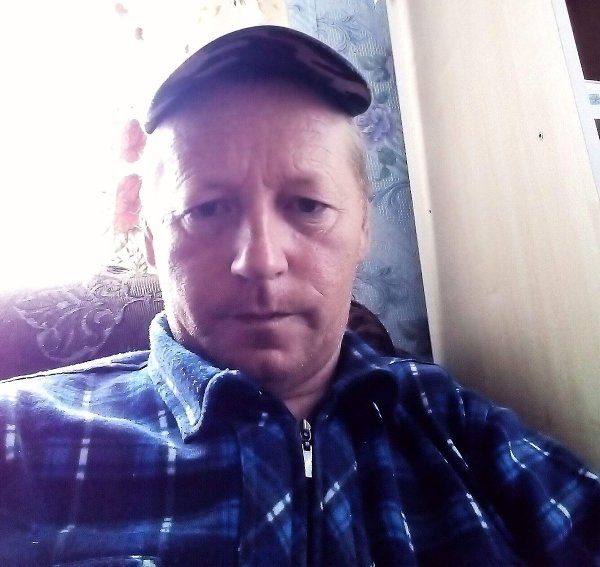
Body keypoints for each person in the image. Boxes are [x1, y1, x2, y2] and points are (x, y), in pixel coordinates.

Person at [0, 25, 598, 567]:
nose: (261, 260)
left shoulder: (465, 433)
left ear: (363, 229)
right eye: (207, 210)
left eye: (308, 206)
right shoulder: (22, 437)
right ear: (152, 240)